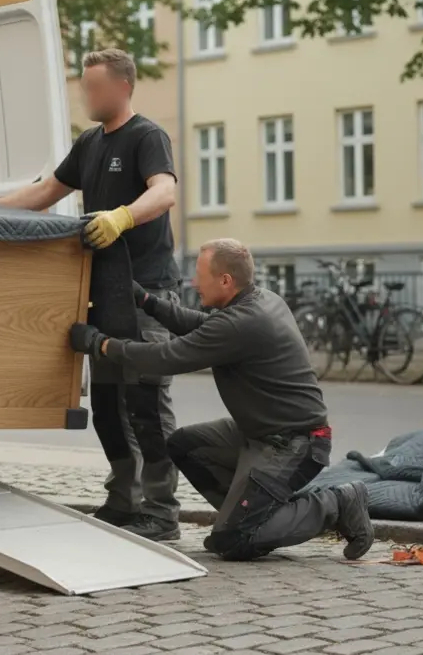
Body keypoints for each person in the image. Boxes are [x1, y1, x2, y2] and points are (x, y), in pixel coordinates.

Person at [67, 238, 374, 562]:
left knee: (232, 540)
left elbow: (165, 357)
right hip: (258, 435)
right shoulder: (256, 302)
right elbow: (200, 326)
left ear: (225, 280)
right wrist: (146, 300)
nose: (195, 283)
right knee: (185, 445)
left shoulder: (242, 322)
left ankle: (337, 504)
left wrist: (100, 344)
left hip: (296, 444)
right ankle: (251, 512)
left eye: (201, 275)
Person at [0, 48, 182, 541]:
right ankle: (123, 501)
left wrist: (121, 216)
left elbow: (164, 192)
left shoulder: (147, 136)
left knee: (146, 405)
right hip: (103, 292)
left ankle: (162, 512)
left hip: (147, 294)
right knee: (108, 405)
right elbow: (44, 191)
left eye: (94, 87)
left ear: (122, 87)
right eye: (84, 87)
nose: (86, 95)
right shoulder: (90, 142)